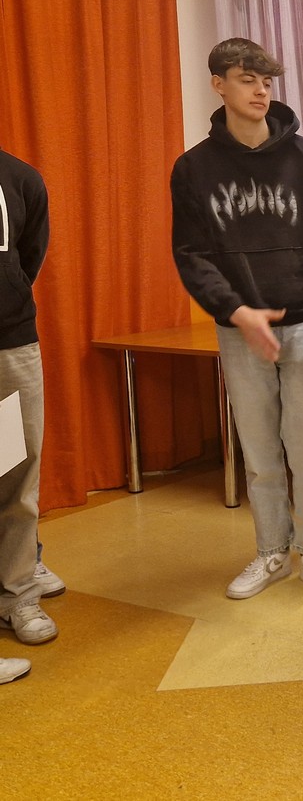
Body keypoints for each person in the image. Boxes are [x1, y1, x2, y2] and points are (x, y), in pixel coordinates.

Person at [171, 38, 303, 603]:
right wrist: (237, 310)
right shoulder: (193, 168)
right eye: (247, 79)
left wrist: (298, 292)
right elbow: (191, 254)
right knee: (260, 450)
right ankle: (272, 550)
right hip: (238, 328)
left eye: (267, 81)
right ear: (218, 85)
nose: (261, 91)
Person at [0, 145, 57, 683]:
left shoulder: (19, 178)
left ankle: (18, 595)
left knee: (15, 476)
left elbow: (29, 255)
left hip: (10, 345)